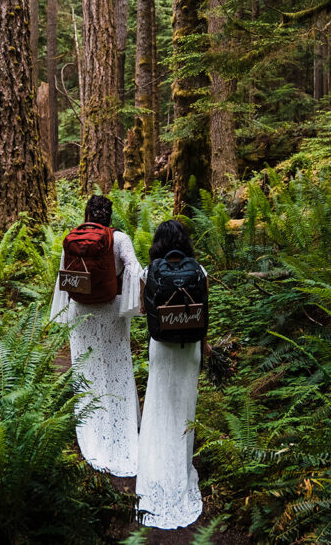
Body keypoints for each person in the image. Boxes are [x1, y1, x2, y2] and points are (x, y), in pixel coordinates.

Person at [49, 195, 142, 477]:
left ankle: (91, 431)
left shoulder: (73, 239)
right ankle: (122, 425)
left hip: (80, 310)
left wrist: (63, 312)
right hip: (111, 310)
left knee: (86, 368)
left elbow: (63, 276)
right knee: (116, 366)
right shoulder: (120, 238)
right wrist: (132, 307)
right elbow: (134, 270)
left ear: (87, 214)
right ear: (109, 216)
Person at [136, 219, 208, 529]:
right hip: (190, 348)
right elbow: (206, 312)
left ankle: (153, 470)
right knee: (183, 409)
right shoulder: (200, 271)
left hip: (161, 347)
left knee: (158, 404)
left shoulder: (149, 272)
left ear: (158, 243)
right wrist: (205, 351)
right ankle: (179, 470)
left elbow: (143, 311)